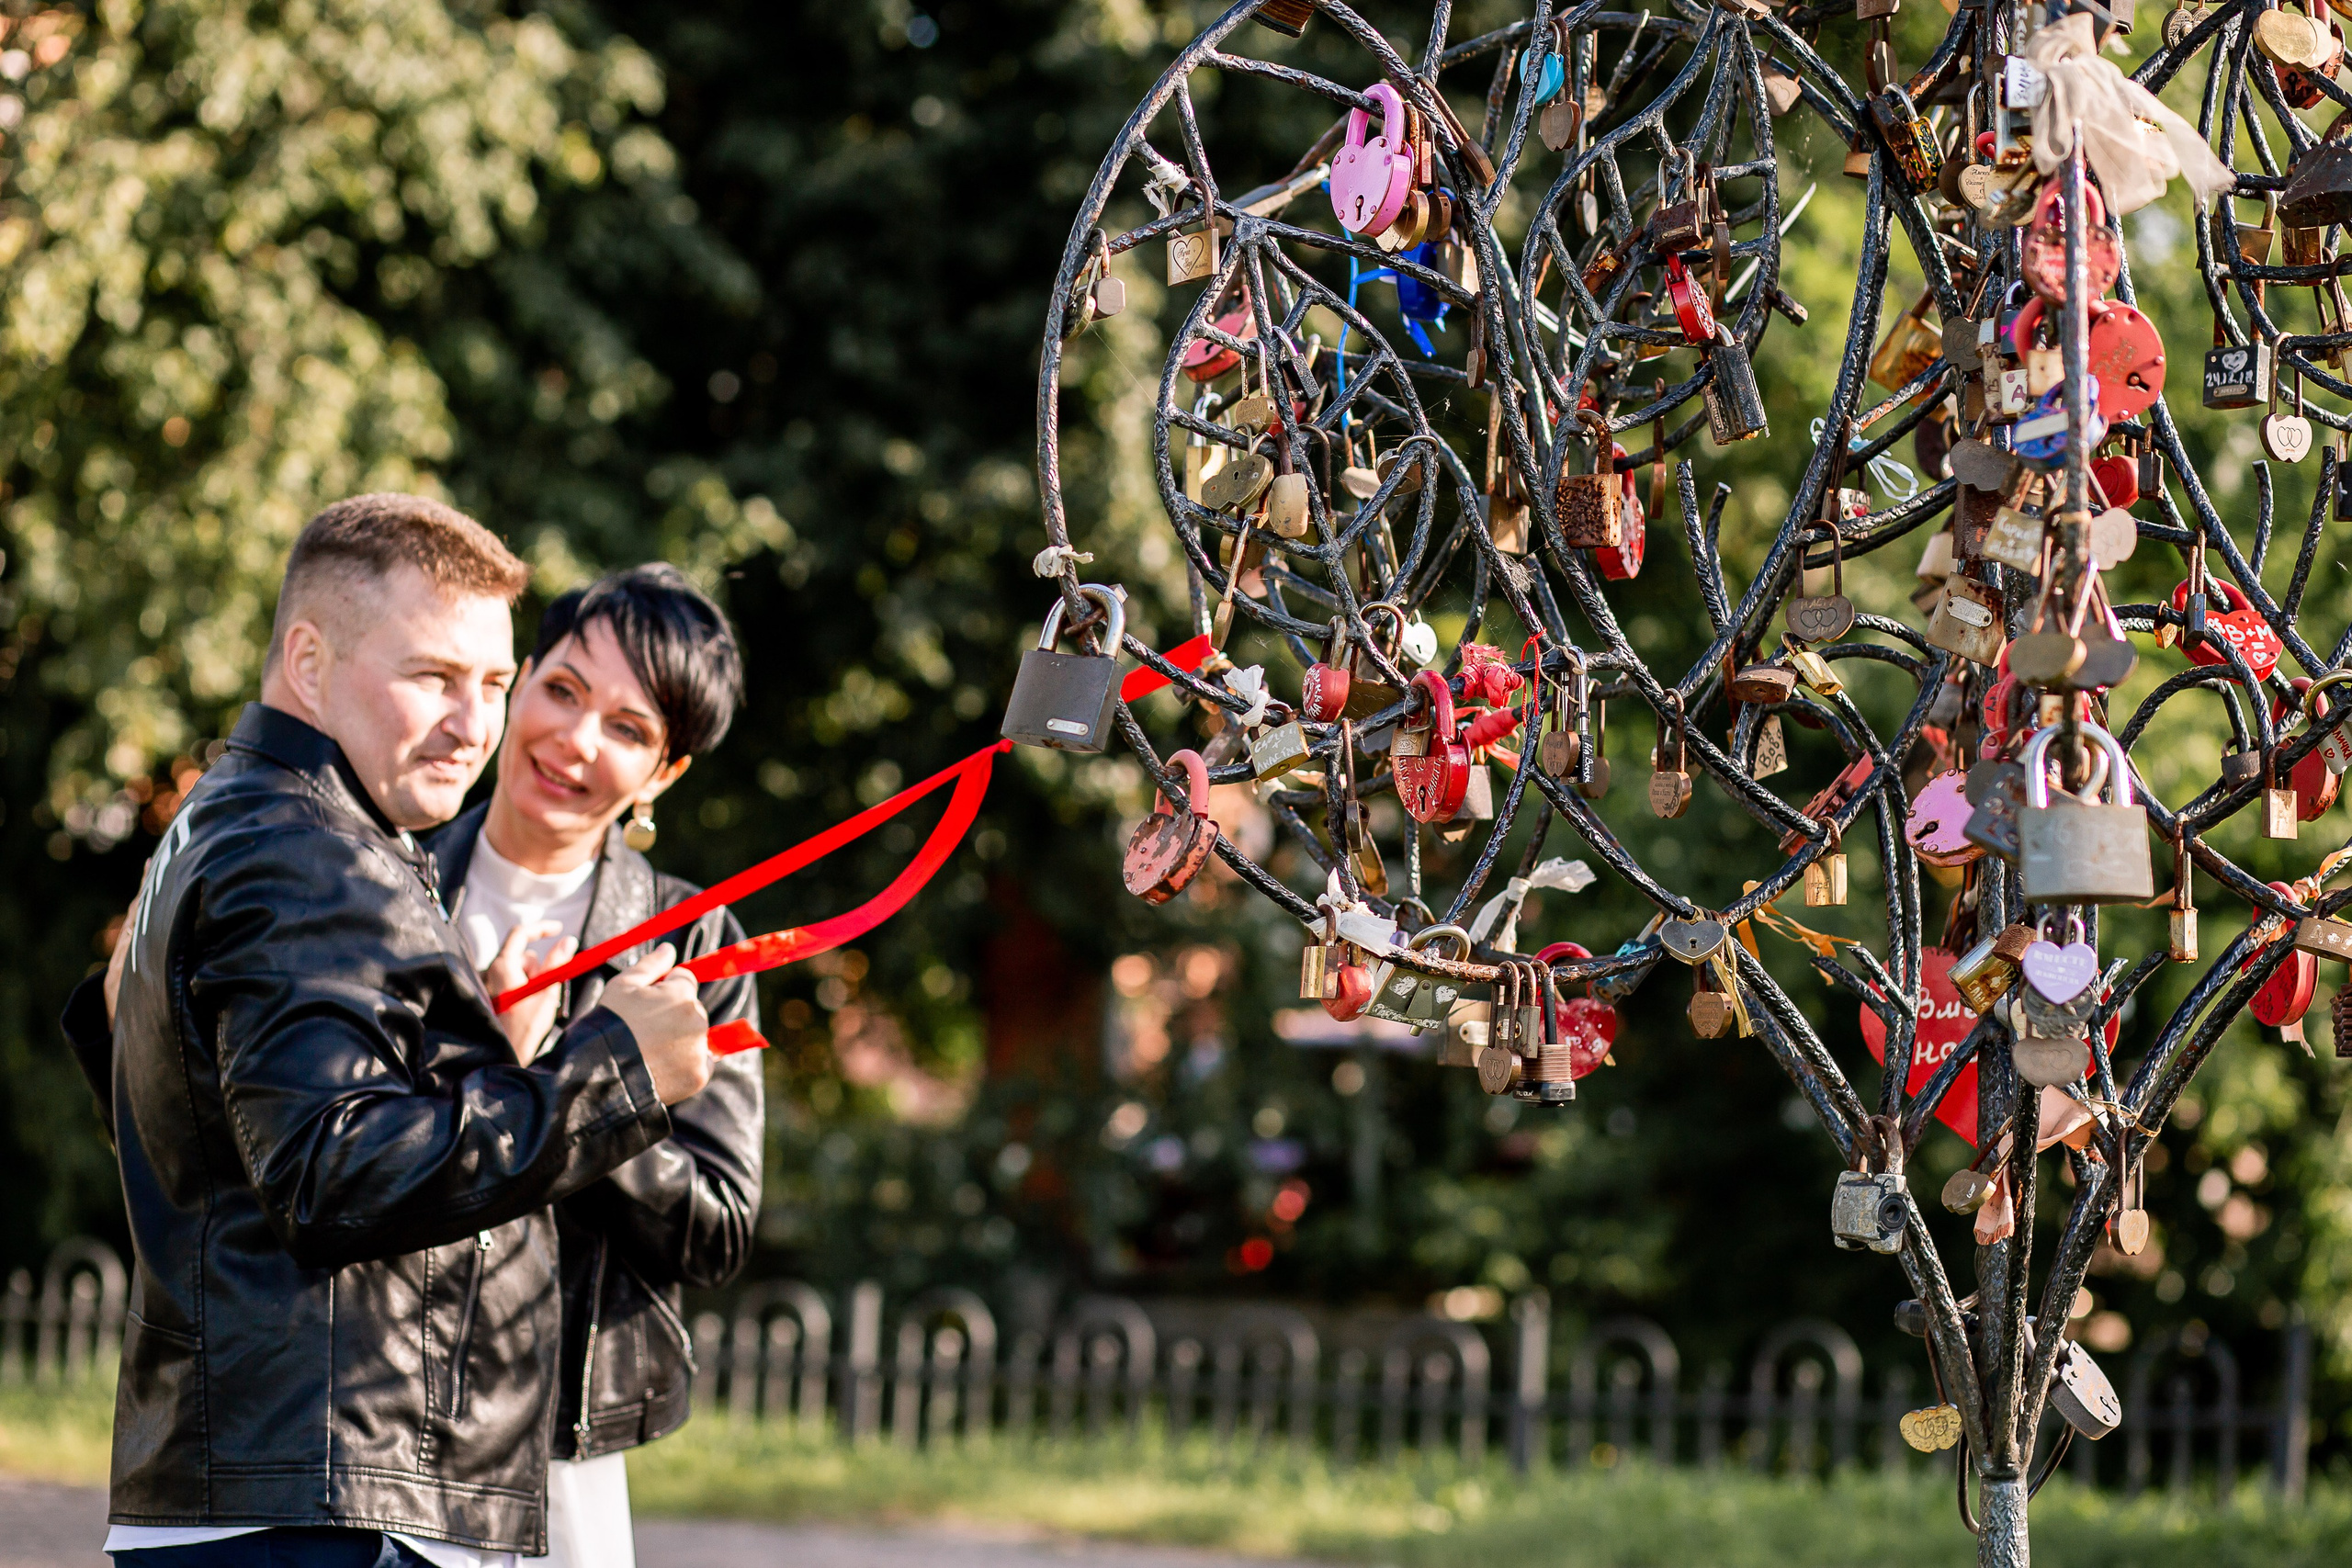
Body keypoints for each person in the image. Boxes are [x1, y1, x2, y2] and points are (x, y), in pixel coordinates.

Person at [72, 495, 717, 1568]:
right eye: (431, 677)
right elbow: (333, 1173)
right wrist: (611, 1073)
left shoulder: (236, 817)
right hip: (326, 1515)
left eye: (496, 684)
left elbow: (238, 1142)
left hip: (274, 1492)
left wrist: (490, 1062)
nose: (475, 724)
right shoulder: (310, 850)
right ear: (309, 661)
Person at [426, 565, 762, 1568]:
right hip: (363, 1414)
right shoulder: (383, 881)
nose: (574, 741)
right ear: (518, 681)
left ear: (663, 775)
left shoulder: (693, 948)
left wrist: (583, 1079)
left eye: (627, 728)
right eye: (563, 691)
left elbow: (717, 1231)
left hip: (553, 1454)